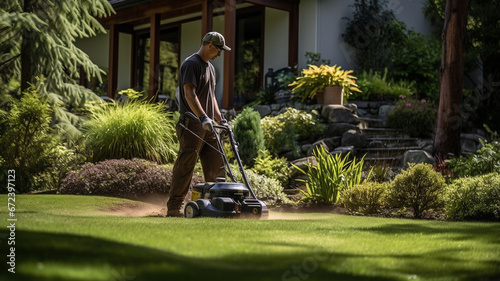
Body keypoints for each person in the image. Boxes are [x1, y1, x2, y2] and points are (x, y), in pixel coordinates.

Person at [167, 31, 231, 217]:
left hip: (209, 125)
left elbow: (211, 97)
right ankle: (174, 206)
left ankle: (216, 203)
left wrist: (220, 119)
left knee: (217, 165)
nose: (220, 53)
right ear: (209, 45)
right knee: (186, 163)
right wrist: (203, 117)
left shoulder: (210, 68)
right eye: (219, 49)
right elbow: (189, 94)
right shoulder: (191, 64)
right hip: (192, 123)